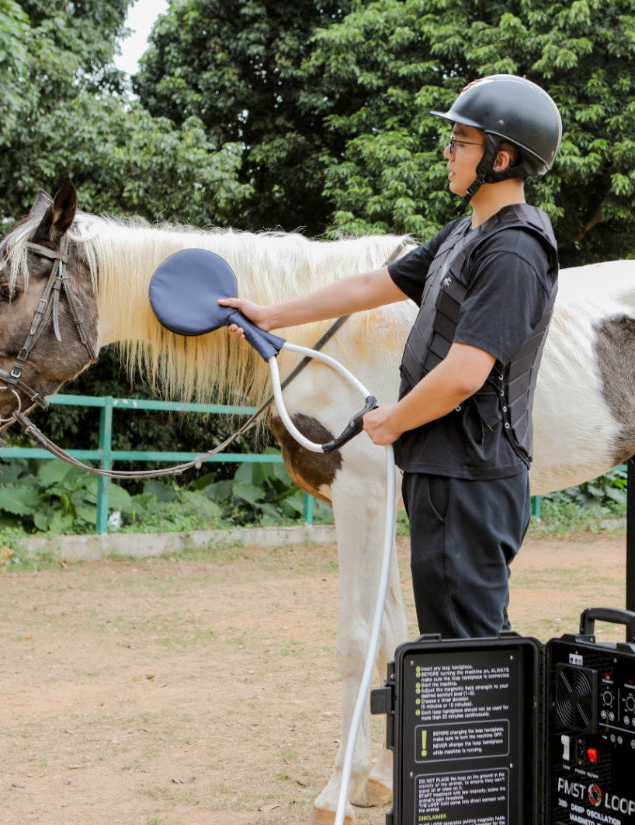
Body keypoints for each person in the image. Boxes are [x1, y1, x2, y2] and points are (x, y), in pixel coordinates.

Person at [220, 74, 562, 639]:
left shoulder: (514, 251)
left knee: (472, 652)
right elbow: (368, 286)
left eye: (461, 142)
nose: (448, 153)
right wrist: (274, 315)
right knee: (453, 648)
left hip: (473, 476)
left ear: (501, 157)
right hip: (440, 469)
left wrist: (391, 422)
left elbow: (465, 373)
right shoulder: (466, 234)